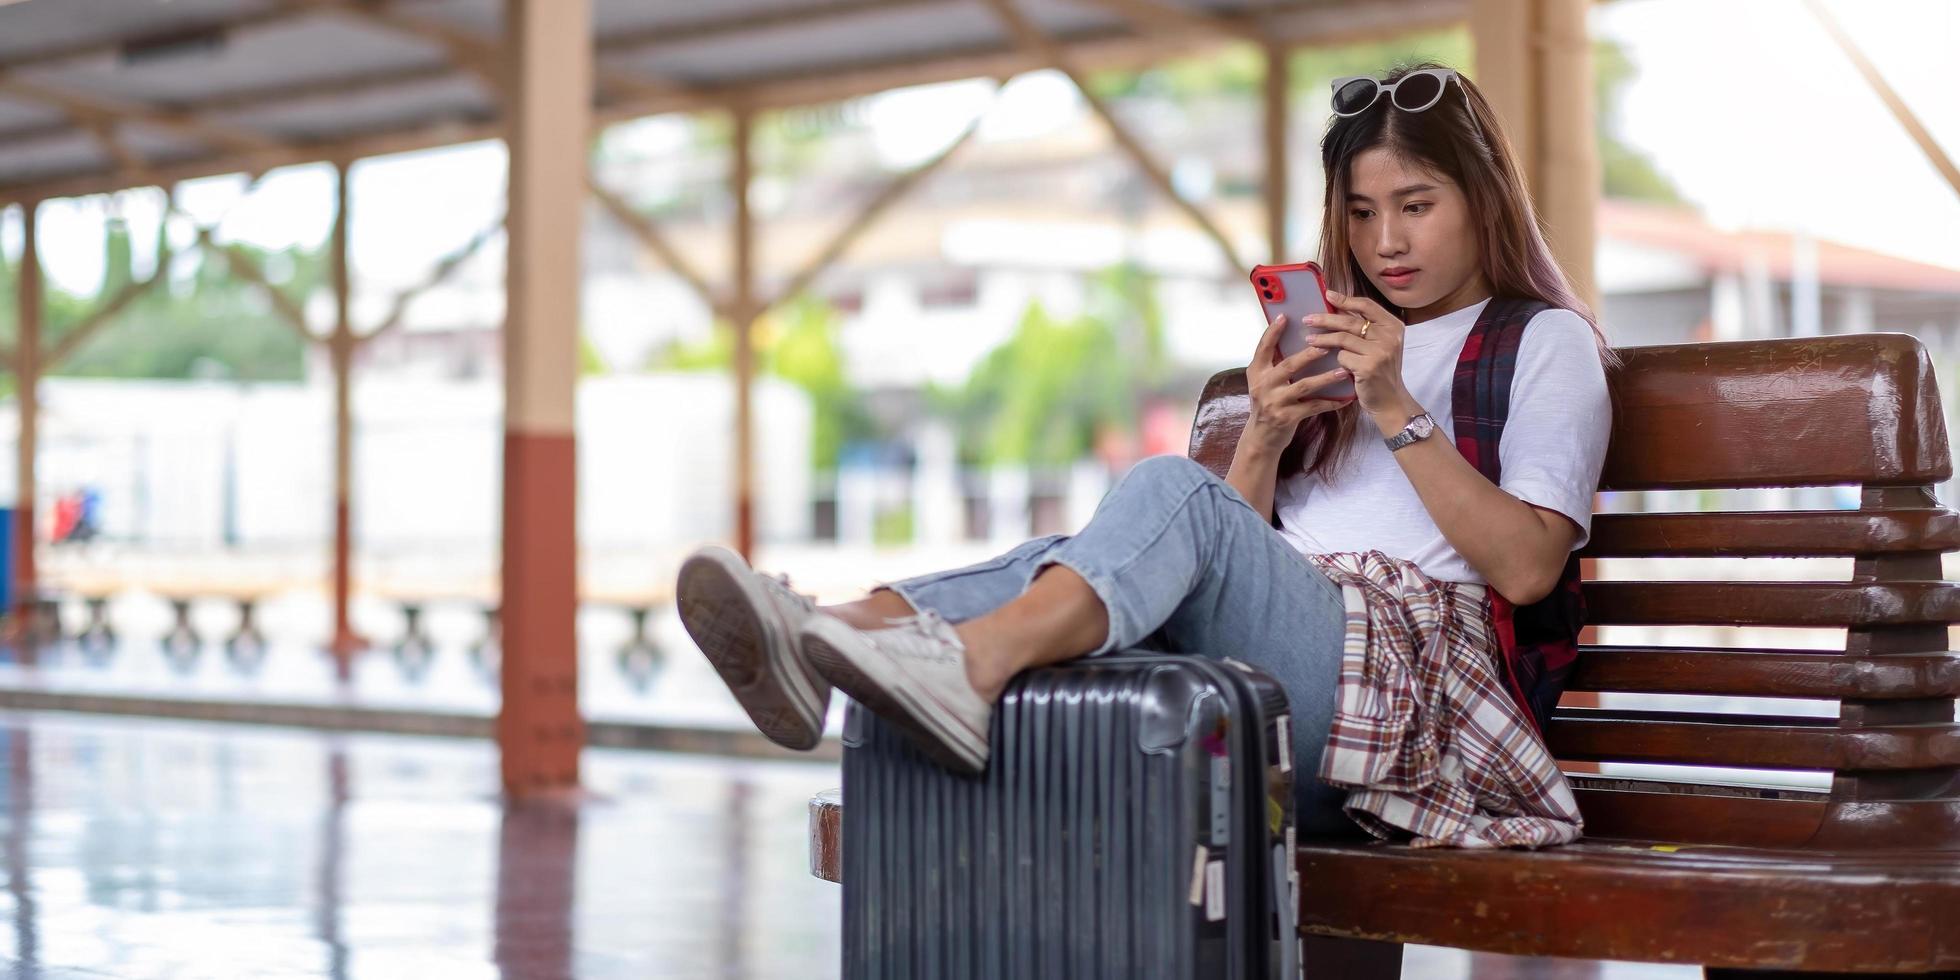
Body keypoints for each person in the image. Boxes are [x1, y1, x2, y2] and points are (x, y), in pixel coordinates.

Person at [677, 62, 1615, 843]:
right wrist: (1267, 434)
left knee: (1167, 487)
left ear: (1482, 196)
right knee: (1069, 558)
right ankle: (826, 635)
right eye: (1362, 212)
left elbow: (1530, 568)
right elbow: (1232, 558)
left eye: (1416, 204)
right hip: (1294, 672)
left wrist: (1398, 407)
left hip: (1416, 709)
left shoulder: (1540, 342)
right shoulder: (1338, 342)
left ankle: (949, 662)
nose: (1386, 242)